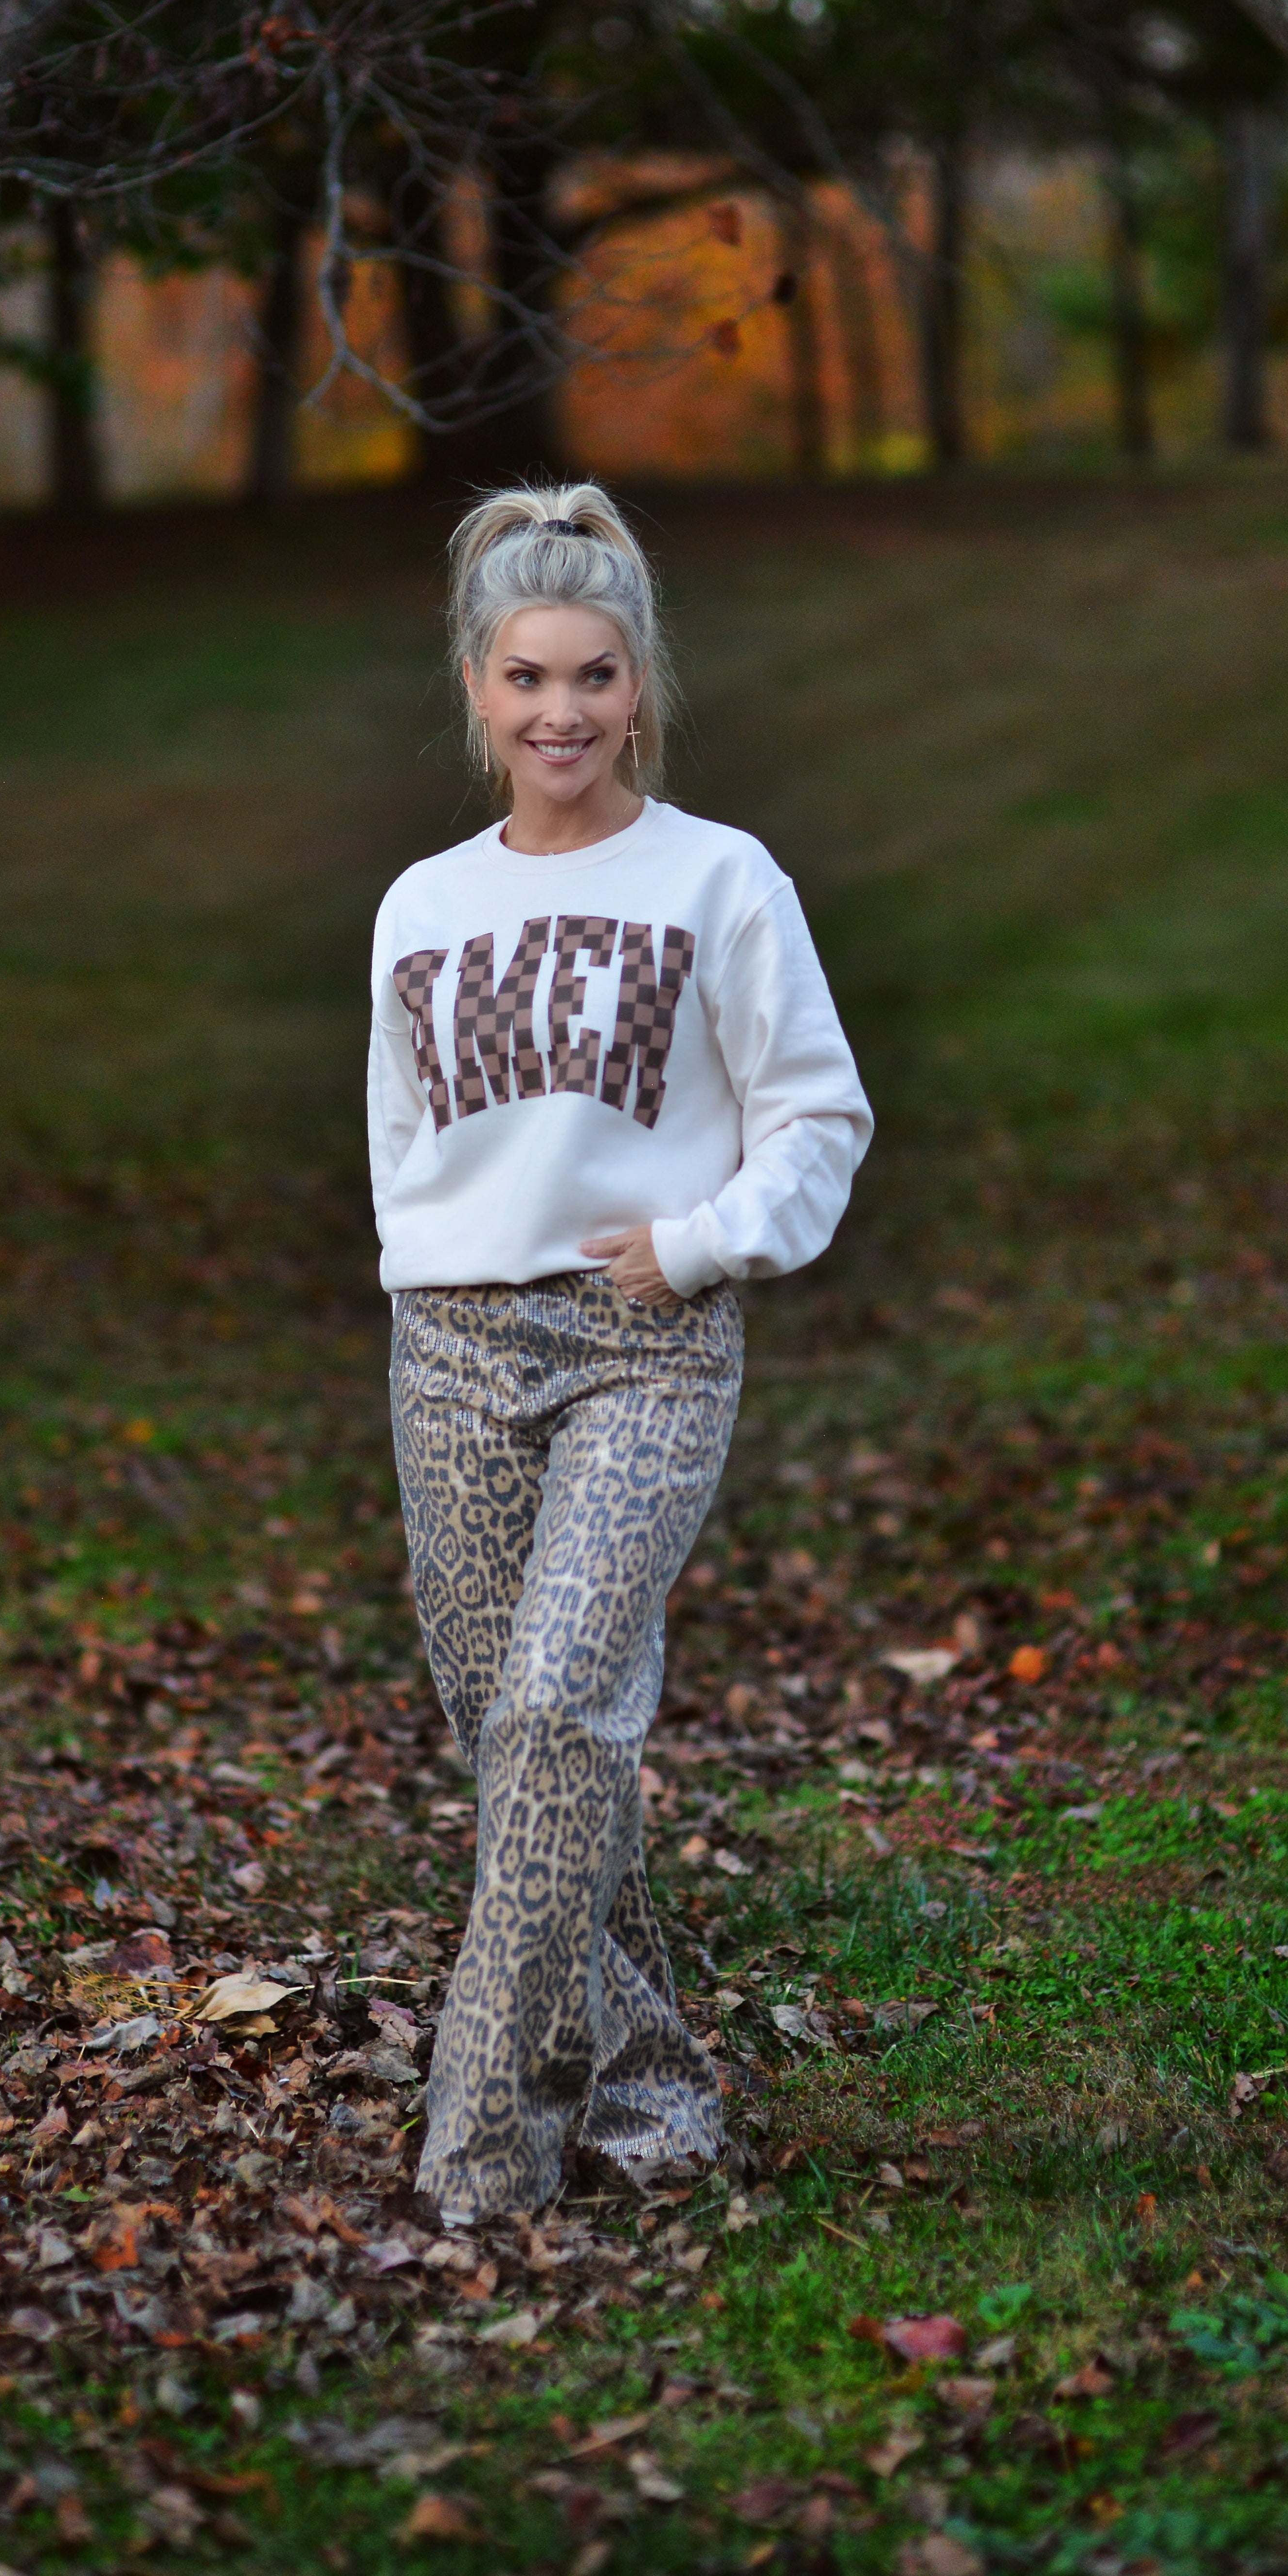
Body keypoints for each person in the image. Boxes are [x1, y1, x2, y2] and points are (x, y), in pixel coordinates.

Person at [367, 480, 872, 2226]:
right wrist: (430, 1279)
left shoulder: (721, 880)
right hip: (451, 1351)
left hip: (645, 1342)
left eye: (594, 677)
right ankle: (652, 2087)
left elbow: (817, 1114)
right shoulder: (419, 907)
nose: (560, 713)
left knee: (564, 1706)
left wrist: (704, 1243)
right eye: (526, 678)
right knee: (516, 1741)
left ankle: (478, 2145)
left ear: (639, 684)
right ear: (475, 685)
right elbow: (406, 1144)